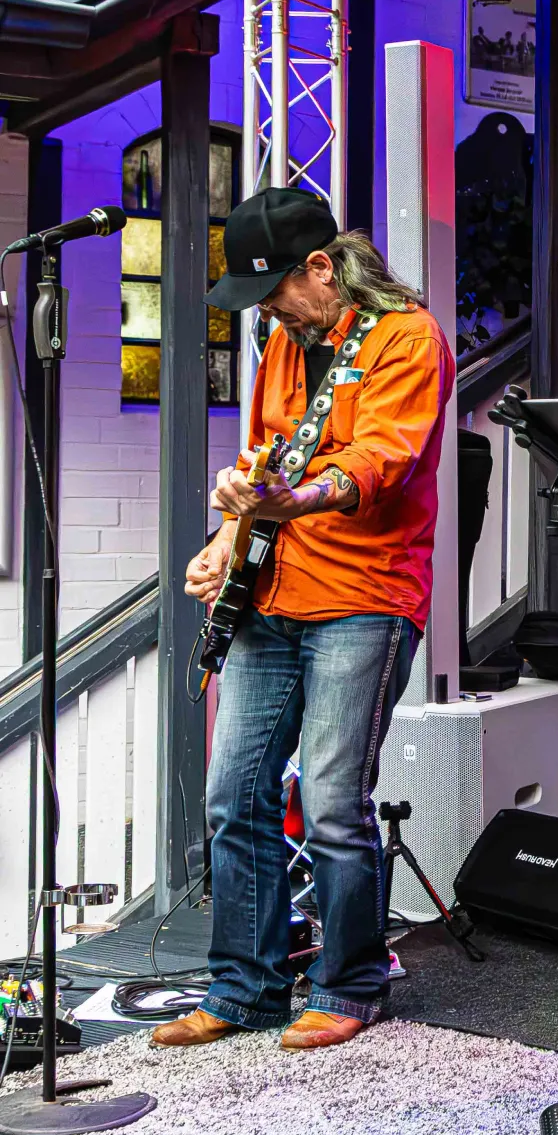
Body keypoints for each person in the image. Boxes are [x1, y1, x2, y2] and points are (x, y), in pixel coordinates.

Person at [157, 188, 453, 1051]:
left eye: (274, 291)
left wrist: (296, 498)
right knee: (232, 794)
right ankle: (244, 989)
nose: (266, 314)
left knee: (330, 800)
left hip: (364, 597)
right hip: (272, 594)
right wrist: (226, 537)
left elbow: (380, 463)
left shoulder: (407, 338)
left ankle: (350, 985)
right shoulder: (288, 343)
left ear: (321, 268)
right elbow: (265, 459)